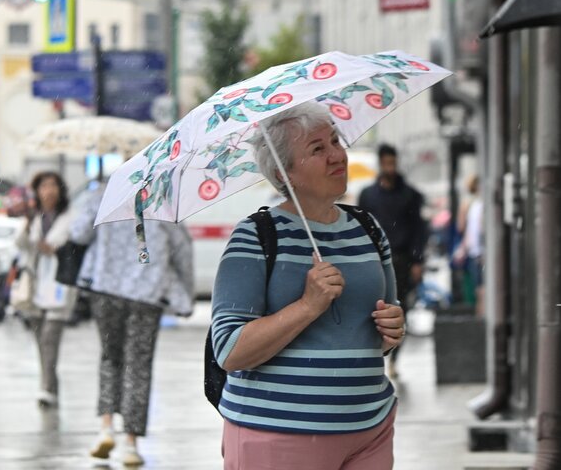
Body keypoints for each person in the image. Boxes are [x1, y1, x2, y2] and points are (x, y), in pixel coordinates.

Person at [211, 103, 405, 470]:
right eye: (317, 149)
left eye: (335, 140)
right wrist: (307, 306)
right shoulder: (255, 236)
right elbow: (230, 351)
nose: (337, 155)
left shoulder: (367, 228)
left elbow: (382, 332)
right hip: (278, 432)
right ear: (286, 173)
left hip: (370, 428)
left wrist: (393, 327)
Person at [70, 182, 194, 467]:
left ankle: (105, 427)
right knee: (138, 365)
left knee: (110, 358)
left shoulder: (102, 196)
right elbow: (181, 249)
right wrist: (184, 294)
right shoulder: (163, 199)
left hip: (106, 287)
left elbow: (77, 234)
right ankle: (130, 444)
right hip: (147, 292)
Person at [358, 143, 426, 379]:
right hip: (374, 259)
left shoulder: (409, 195)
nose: (390, 167)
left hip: (402, 258)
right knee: (373, 308)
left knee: (399, 308)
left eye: (392, 162)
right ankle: (377, 355)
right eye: (386, 163)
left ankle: (394, 358)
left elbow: (419, 229)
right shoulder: (368, 195)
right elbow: (362, 227)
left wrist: (417, 260)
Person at [14, 171, 78, 408]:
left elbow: (76, 244)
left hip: (59, 285)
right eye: (43, 187)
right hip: (36, 285)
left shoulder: (70, 217)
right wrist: (28, 222)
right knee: (41, 340)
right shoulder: (35, 218)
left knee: (50, 338)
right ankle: (51, 385)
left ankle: (46, 388)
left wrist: (56, 249)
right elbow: (20, 244)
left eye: (53, 186)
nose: (48, 191)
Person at [454, 174, 484, 316]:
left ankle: (480, 317)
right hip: (474, 250)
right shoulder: (475, 204)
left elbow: (462, 227)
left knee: (478, 289)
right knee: (477, 289)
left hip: (476, 251)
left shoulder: (473, 204)